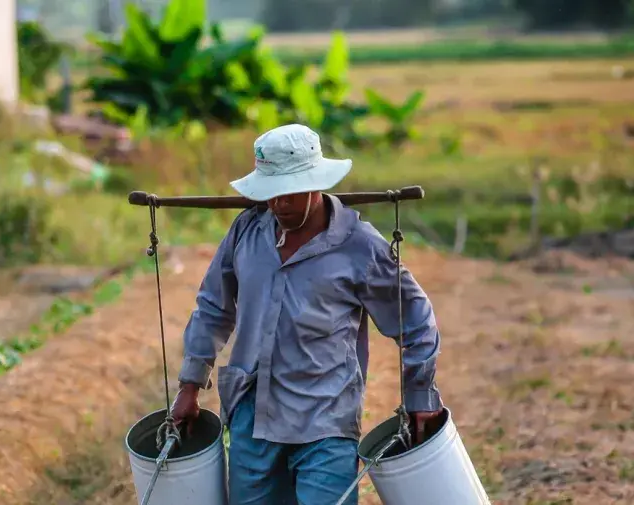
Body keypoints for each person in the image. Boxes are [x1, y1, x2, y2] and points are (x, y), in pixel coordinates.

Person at [169, 123, 443, 505]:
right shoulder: (247, 231)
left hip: (325, 420)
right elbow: (213, 307)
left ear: (316, 184)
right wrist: (189, 385)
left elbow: (413, 320)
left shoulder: (360, 247)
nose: (279, 205)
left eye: (289, 195)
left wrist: (420, 392)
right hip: (252, 415)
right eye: (271, 194)